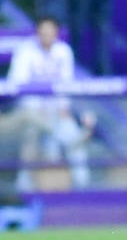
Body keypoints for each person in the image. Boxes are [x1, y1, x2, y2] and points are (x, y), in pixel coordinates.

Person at [7, 16, 94, 191]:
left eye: (50, 31)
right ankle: (24, 186)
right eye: (43, 31)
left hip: (57, 110)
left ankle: (82, 185)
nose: (46, 35)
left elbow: (67, 83)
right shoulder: (25, 50)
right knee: (30, 139)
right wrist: (35, 108)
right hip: (31, 112)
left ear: (56, 33)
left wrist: (63, 107)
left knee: (73, 137)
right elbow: (16, 83)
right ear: (37, 32)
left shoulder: (64, 51)